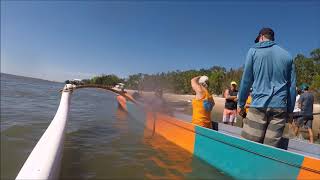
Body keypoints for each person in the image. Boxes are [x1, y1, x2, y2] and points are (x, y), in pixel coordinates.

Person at [238, 27, 296, 148]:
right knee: (269, 150)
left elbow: (246, 80)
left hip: (259, 105)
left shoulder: (253, 51)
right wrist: (290, 111)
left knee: (249, 147)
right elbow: (291, 87)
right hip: (279, 108)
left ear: (262, 37)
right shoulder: (287, 56)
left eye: (258, 39)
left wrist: (241, 103)